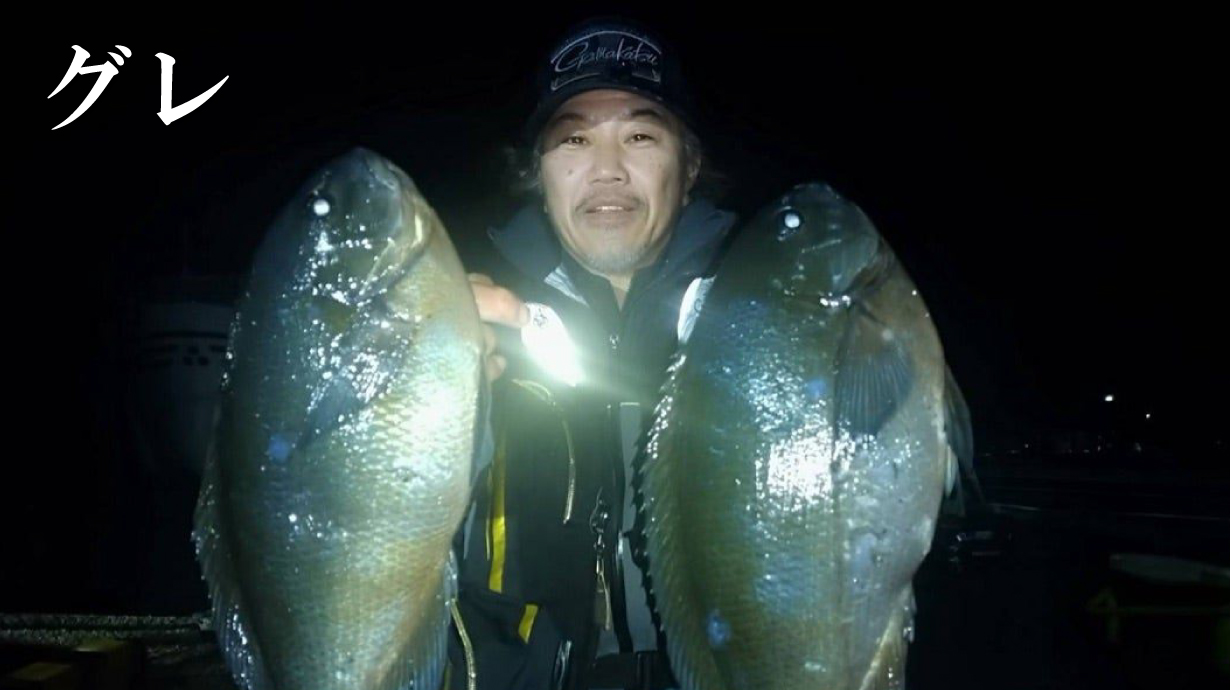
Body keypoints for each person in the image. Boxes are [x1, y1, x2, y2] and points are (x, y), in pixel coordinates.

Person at [445, 17, 737, 690]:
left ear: (689, 167)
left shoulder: (766, 319)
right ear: (537, 173)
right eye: (574, 139)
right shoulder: (466, 318)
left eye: (640, 136)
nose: (607, 170)